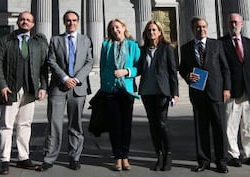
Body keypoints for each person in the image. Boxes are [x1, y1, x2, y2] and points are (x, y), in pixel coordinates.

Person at [0, 11, 48, 175]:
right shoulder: (6, 40)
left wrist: (43, 86)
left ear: (33, 24)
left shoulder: (38, 43)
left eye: (28, 20)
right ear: (18, 22)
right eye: (22, 19)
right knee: (6, 126)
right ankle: (4, 160)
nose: (25, 22)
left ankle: (23, 157)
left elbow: (44, 66)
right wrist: (2, 85)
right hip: (9, 89)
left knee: (25, 125)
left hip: (29, 90)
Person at [36, 11, 93, 172]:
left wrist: (76, 79)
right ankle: (49, 158)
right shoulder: (55, 40)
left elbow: (89, 62)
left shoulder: (85, 40)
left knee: (76, 125)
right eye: (68, 21)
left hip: (78, 88)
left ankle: (74, 157)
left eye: (74, 20)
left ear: (78, 22)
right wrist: (64, 78)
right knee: (54, 124)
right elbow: (51, 61)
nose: (71, 23)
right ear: (64, 22)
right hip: (58, 88)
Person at [179, 16, 231, 173]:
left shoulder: (217, 45)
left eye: (203, 27)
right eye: (197, 27)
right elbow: (182, 68)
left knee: (219, 128)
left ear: (207, 28)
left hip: (216, 92)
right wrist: (188, 76)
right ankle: (203, 161)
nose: (201, 30)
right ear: (192, 30)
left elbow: (225, 68)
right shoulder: (186, 48)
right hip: (198, 93)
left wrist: (226, 88)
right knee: (201, 129)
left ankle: (221, 161)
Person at [220, 13, 250, 167]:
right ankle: (233, 155)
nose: (233, 25)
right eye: (231, 22)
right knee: (231, 124)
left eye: (236, 22)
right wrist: (225, 87)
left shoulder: (249, 42)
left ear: (242, 24)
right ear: (227, 24)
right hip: (231, 90)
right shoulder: (221, 43)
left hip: (248, 89)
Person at [99, 18, 140, 171]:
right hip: (110, 91)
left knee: (126, 126)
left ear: (124, 27)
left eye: (117, 27)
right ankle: (117, 157)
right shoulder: (106, 45)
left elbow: (138, 67)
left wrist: (126, 72)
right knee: (114, 126)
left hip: (127, 90)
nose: (115, 30)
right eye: (112, 28)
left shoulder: (133, 45)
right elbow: (103, 66)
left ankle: (125, 156)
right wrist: (105, 85)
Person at [138, 20, 179, 171]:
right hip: (146, 92)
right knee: (153, 125)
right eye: (149, 31)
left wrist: (175, 93)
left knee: (162, 124)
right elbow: (137, 68)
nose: (152, 33)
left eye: (154, 30)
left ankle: (168, 154)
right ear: (146, 34)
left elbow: (172, 71)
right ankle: (159, 155)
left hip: (162, 91)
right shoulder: (142, 50)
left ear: (160, 32)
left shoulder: (167, 48)